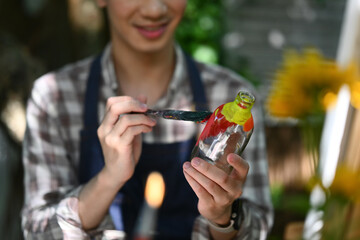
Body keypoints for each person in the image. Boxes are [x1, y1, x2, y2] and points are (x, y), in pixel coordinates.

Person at [21, 0, 273, 239]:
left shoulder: (231, 97)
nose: (154, 9)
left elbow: (258, 227)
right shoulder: (54, 98)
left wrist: (222, 217)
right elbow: (39, 231)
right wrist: (108, 179)